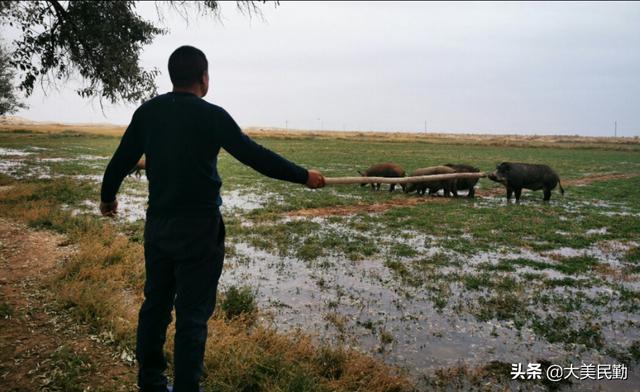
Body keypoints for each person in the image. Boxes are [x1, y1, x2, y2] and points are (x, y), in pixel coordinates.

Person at [99, 45, 325, 392]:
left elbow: (118, 162)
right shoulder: (212, 116)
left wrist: (107, 199)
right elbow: (256, 156)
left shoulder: (147, 113)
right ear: (204, 78)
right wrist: (303, 176)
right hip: (201, 230)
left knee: (155, 306)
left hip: (159, 227)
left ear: (174, 76)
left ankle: (151, 383)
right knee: (191, 315)